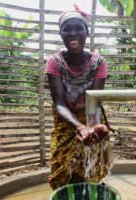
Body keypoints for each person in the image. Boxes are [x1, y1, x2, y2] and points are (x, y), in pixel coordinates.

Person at [45, 5, 111, 190]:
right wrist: (80, 127)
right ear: (61, 34)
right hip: (66, 120)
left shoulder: (99, 63)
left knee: (90, 164)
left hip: (90, 115)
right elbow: (59, 102)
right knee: (62, 167)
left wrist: (93, 127)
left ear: (86, 32)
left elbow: (96, 101)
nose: (73, 33)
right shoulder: (55, 62)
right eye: (67, 29)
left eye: (78, 28)